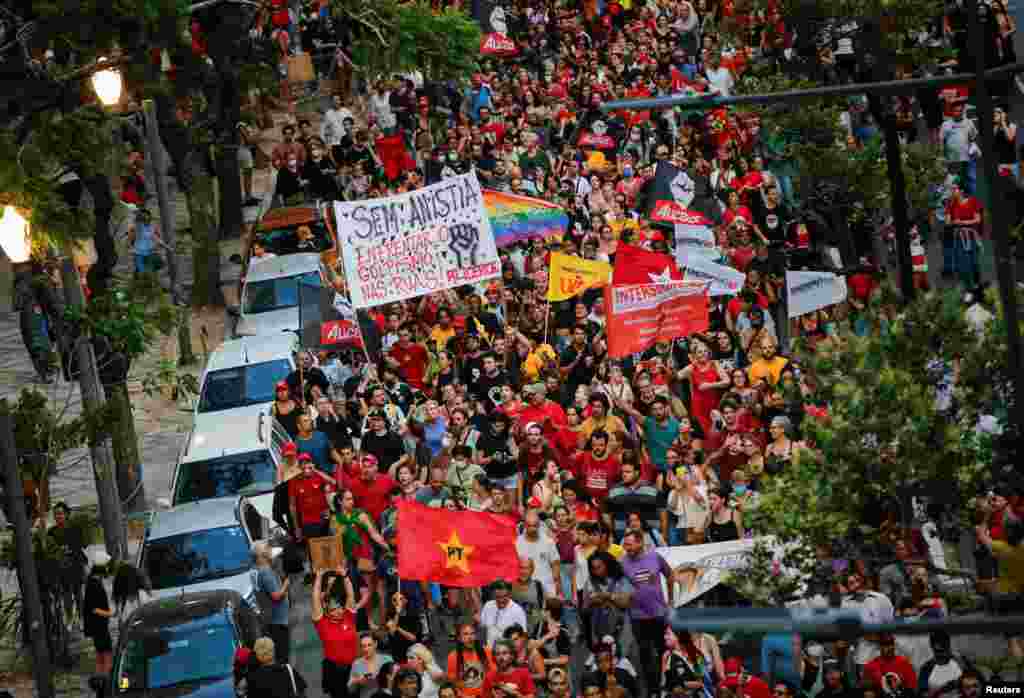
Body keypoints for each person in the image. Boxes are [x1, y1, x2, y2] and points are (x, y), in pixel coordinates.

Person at [619, 529, 674, 693]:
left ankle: (667, 685)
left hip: (658, 613)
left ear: (640, 542)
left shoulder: (655, 557)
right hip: (637, 616)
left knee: (663, 651)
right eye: (624, 544)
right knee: (644, 654)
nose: (626, 548)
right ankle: (652, 689)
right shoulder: (622, 563)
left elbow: (670, 575)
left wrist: (670, 601)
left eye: (629, 544)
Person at [313, 566, 360, 698]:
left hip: (354, 667)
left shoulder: (348, 616)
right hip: (334, 670)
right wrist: (319, 577)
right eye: (334, 609)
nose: (338, 611)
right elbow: (316, 598)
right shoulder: (322, 623)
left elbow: (351, 594)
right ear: (327, 611)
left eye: (339, 607)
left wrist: (345, 576)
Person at [252, 541, 291, 663]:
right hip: (277, 620)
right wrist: (286, 584)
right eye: (268, 549)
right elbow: (276, 596)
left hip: (273, 619)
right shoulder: (266, 572)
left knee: (280, 653)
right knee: (282, 655)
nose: (270, 551)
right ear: (263, 554)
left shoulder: (259, 570)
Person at [516, 509, 562, 599]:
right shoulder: (517, 543)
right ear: (525, 525)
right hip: (526, 590)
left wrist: (558, 590)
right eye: (530, 526)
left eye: (535, 525)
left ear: (539, 525)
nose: (533, 529)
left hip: (548, 589)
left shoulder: (549, 542)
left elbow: (555, 566)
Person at [83, 550, 114, 675]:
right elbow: (94, 608)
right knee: (106, 653)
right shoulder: (94, 585)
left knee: (100, 654)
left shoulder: (93, 582)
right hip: (99, 626)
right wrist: (110, 614)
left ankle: (101, 677)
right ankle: (106, 678)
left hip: (97, 626)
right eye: (106, 566)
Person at [447, 622, 495, 698]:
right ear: (459, 638)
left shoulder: (486, 651)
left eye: (472, 634)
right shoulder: (453, 657)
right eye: (465, 634)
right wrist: (463, 696)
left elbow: (493, 676)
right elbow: (453, 683)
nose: (470, 637)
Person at [480, 580, 529, 648]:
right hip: (489, 651)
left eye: (504, 596)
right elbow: (483, 629)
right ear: (493, 595)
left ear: (510, 594)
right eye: (498, 597)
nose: (501, 600)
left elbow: (523, 637)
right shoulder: (488, 606)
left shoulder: (518, 611)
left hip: (508, 655)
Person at [351, 633, 395, 698]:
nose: (366, 649)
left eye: (369, 645)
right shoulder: (357, 664)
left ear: (375, 644)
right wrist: (357, 682)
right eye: (363, 646)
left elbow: (395, 681)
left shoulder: (387, 659)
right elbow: (350, 690)